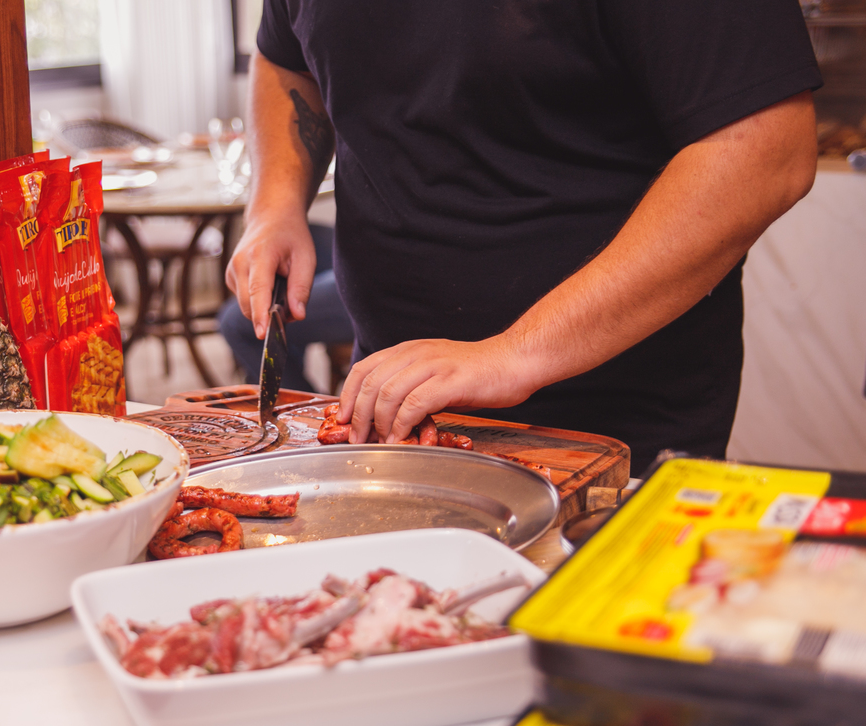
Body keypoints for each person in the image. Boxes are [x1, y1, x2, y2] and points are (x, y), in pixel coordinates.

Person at [225, 0, 822, 474]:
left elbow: (766, 152)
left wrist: (517, 352)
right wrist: (275, 203)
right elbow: (284, 59)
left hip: (606, 426)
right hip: (392, 400)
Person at [217, 223, 354, 393]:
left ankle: (301, 411)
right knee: (288, 241)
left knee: (236, 321)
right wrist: (267, 218)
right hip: (368, 244)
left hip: (390, 277)